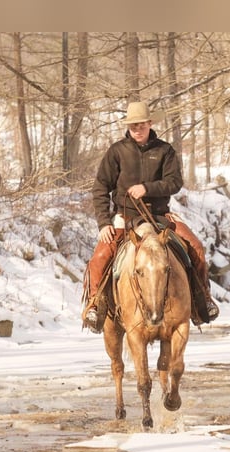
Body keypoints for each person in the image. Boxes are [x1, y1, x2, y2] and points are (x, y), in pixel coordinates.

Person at [82, 101, 219, 333]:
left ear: (150, 123)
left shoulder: (165, 151)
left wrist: (147, 188)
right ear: (129, 126)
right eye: (133, 125)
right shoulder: (117, 151)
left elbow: (174, 183)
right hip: (125, 217)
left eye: (141, 125)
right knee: (100, 256)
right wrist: (104, 222)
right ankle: (96, 304)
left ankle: (202, 299)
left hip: (160, 216)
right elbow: (100, 188)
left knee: (195, 247)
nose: (137, 129)